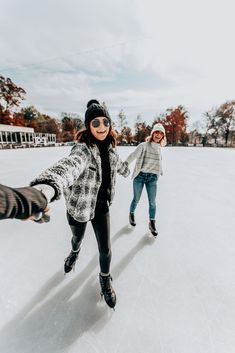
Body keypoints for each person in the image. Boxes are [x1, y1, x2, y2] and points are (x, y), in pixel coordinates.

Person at [28, 99, 130, 309]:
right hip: (80, 208)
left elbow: (121, 166)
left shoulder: (111, 151)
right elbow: (69, 166)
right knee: (77, 238)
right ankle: (74, 252)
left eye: (105, 122)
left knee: (106, 249)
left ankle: (105, 277)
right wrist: (47, 186)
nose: (101, 127)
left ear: (110, 124)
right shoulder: (82, 150)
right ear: (88, 126)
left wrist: (131, 171)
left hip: (101, 206)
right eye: (95, 123)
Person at [125, 123, 166, 237]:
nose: (158, 135)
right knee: (136, 199)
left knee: (152, 202)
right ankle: (131, 214)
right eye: (156, 132)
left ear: (163, 136)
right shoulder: (143, 145)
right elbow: (133, 155)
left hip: (152, 178)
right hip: (140, 176)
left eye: (161, 133)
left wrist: (158, 173)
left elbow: (158, 163)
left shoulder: (159, 148)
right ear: (152, 133)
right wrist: (125, 164)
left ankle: (152, 223)